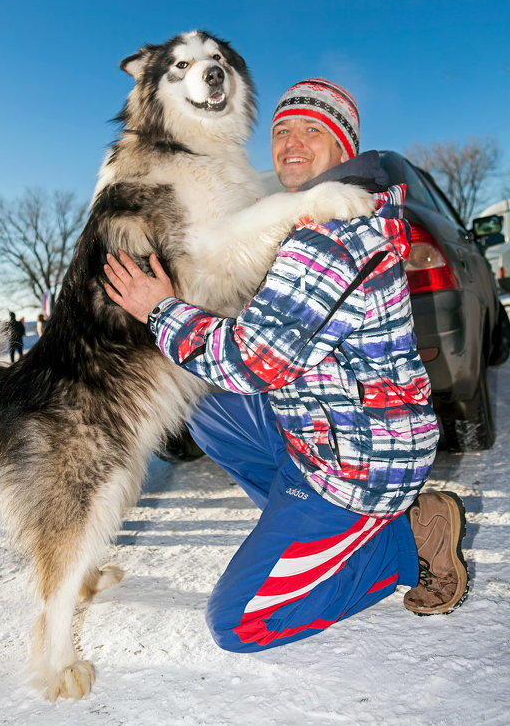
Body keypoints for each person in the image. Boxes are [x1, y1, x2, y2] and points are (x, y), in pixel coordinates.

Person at [103, 78, 469, 652]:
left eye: (312, 130)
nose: (292, 142)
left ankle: (403, 542)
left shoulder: (334, 234)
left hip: (358, 469)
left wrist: (160, 310)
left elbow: (252, 362)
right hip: (325, 430)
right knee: (205, 403)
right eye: (281, 130)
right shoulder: (308, 221)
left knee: (237, 625)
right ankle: (307, 532)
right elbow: (257, 337)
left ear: (344, 146)